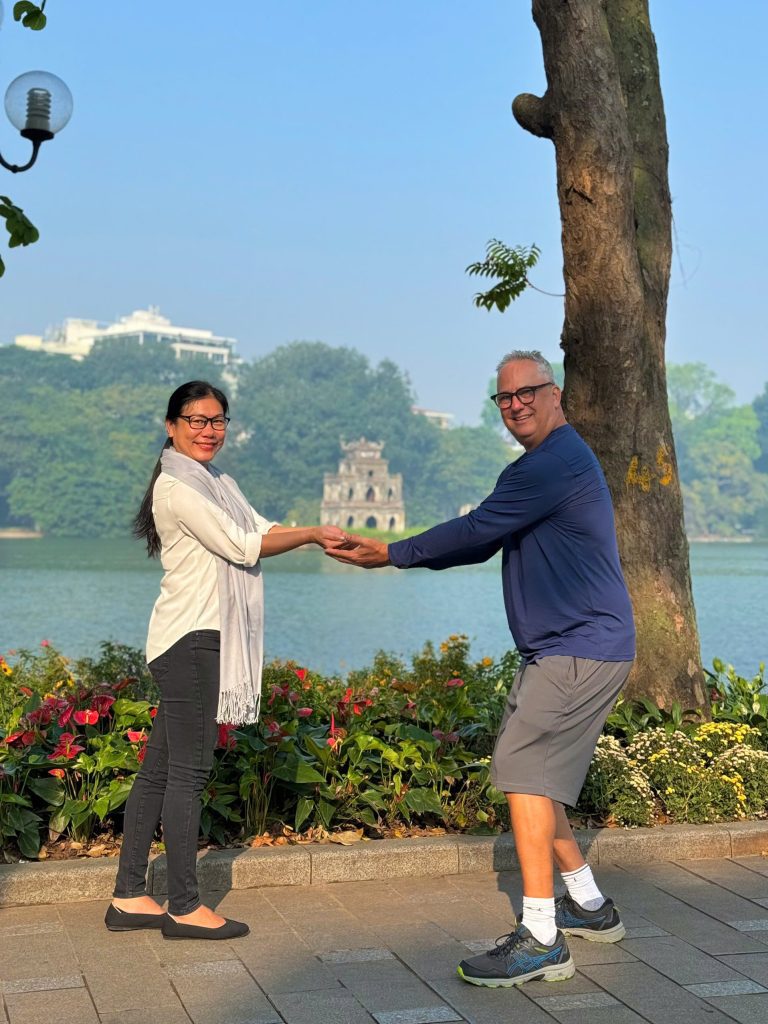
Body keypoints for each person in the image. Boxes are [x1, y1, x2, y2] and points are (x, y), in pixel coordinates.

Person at [326, 350, 635, 987]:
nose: (516, 404)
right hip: (571, 646)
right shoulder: (545, 466)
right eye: (504, 398)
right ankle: (588, 905)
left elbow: (473, 530)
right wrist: (402, 555)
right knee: (539, 777)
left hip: (579, 647)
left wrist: (391, 553)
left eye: (528, 392)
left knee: (523, 770)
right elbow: (483, 538)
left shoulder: (553, 464)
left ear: (557, 395)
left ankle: (543, 935)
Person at [107, 380, 344, 940]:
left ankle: (128, 897)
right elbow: (243, 546)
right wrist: (309, 534)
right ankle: (185, 906)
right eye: (196, 420)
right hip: (191, 640)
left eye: (218, 421)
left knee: (160, 771)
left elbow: (258, 529)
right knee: (188, 773)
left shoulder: (219, 484)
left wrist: (319, 536)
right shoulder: (177, 488)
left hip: (192, 639)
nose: (208, 430)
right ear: (172, 426)